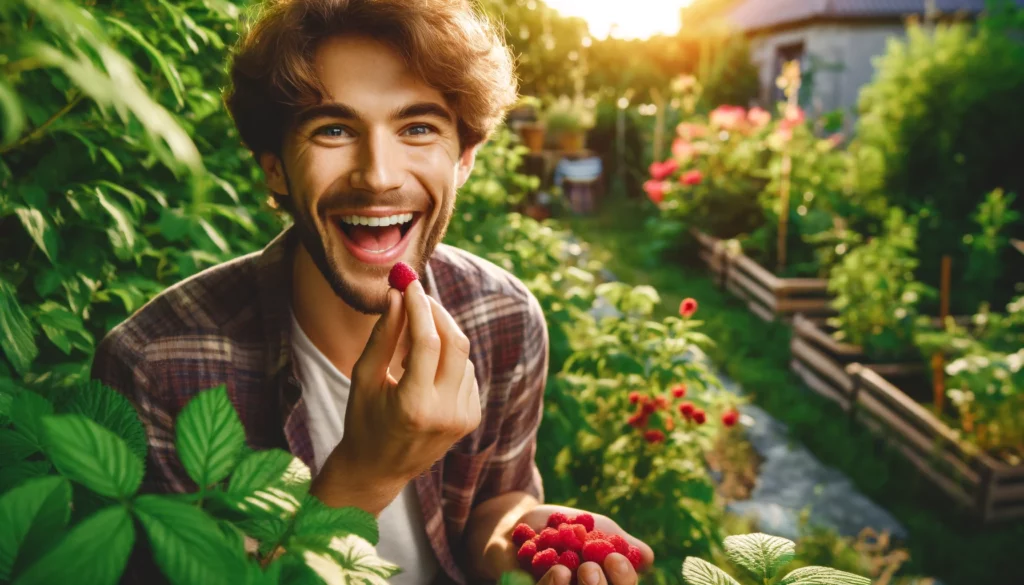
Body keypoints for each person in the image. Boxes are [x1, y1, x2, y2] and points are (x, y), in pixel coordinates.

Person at [91, 0, 653, 583]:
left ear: (463, 158)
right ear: (276, 168)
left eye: (417, 128)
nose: (379, 174)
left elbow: (500, 496)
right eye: (333, 128)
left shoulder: (503, 316)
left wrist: (517, 538)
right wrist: (365, 475)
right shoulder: (153, 366)